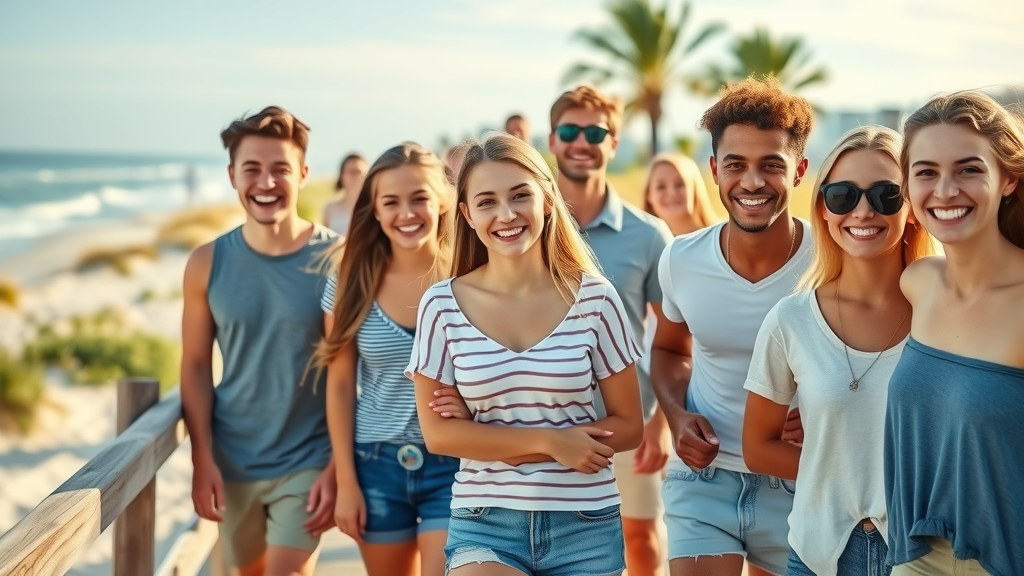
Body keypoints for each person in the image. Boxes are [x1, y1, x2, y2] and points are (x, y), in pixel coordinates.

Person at [407, 132, 645, 576]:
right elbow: (440, 436)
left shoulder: (596, 298)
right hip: (485, 523)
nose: (506, 214)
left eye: (520, 196)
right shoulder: (441, 305)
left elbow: (630, 425)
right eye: (486, 202)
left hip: (586, 525)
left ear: (548, 200)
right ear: (467, 214)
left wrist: (486, 436)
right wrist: (549, 441)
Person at [741, 126, 934, 576]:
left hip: (925, 552)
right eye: (843, 195)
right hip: (818, 553)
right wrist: (839, 469)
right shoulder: (791, 320)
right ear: (824, 209)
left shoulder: (944, 316)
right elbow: (759, 448)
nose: (863, 210)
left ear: (914, 208)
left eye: (887, 194)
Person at [651, 77, 815, 576]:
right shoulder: (680, 258)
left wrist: (825, 410)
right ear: (714, 171)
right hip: (705, 478)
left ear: (800, 171)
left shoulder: (829, 264)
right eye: (735, 165)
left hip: (802, 480)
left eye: (772, 165)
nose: (752, 182)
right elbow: (669, 351)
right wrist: (677, 416)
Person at [180, 106, 337, 576]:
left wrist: (337, 468)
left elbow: (352, 371)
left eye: (280, 170)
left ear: (303, 174)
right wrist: (201, 456)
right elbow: (192, 365)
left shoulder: (337, 258)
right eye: (252, 169)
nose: (266, 183)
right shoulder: (206, 263)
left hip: (309, 459)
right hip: (233, 462)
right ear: (232, 175)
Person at [884, 91, 1024, 576]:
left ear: (1007, 179)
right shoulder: (918, 283)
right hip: (916, 558)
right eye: (926, 172)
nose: (944, 191)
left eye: (968, 169)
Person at [314, 142, 459, 576]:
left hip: (455, 463)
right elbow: (340, 387)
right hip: (375, 466)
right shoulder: (350, 278)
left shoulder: (469, 277)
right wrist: (346, 482)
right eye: (391, 202)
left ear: (441, 203)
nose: (406, 213)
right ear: (374, 211)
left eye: (419, 199)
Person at [548, 85, 675, 576]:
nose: (582, 141)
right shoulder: (527, 227)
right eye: (570, 130)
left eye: (595, 131)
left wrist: (661, 425)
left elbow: (673, 339)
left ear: (615, 142)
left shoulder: (648, 235)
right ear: (553, 141)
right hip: (542, 424)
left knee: (639, 541)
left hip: (626, 423)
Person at [642, 152, 718, 236]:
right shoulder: (641, 244)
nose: (671, 193)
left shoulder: (721, 239)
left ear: (695, 189)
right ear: (648, 195)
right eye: (661, 187)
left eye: (679, 184)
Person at [321, 153, 368, 236]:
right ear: (342, 176)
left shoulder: (372, 207)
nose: (357, 177)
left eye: (360, 172)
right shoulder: (329, 208)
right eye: (352, 172)